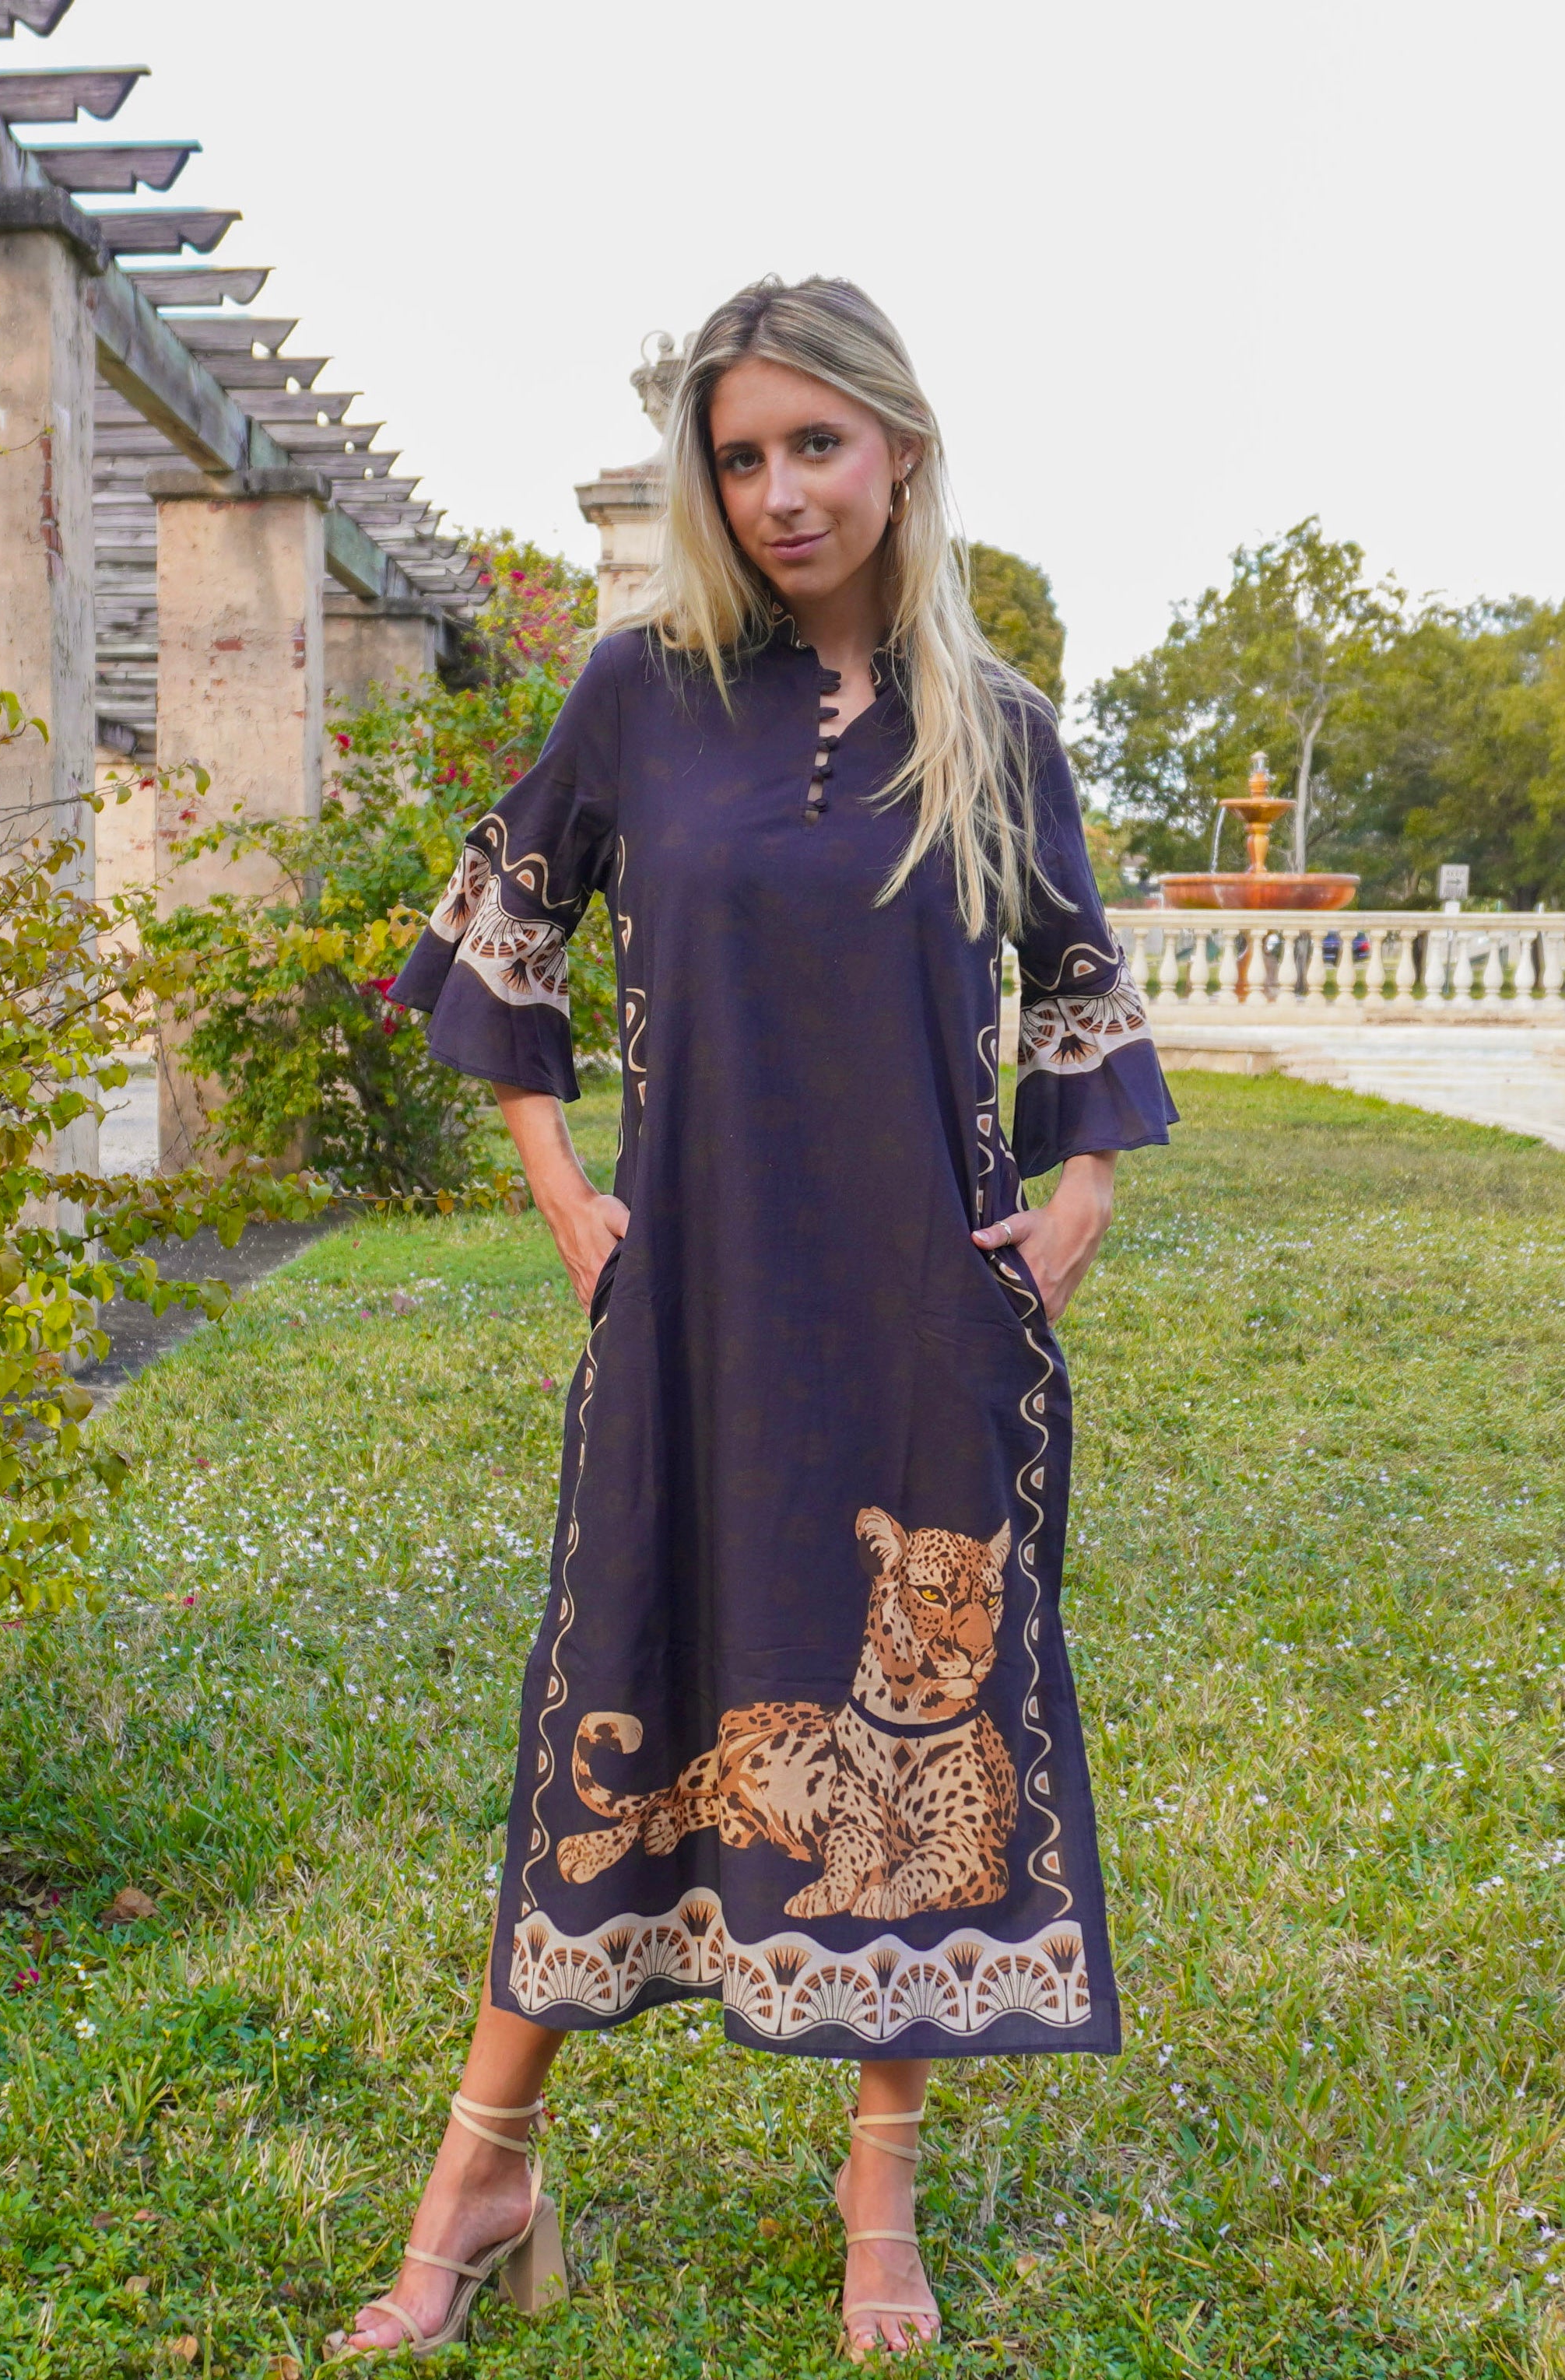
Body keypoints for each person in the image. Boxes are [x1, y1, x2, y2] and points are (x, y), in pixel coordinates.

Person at [329, 273, 1177, 2367]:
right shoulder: (641, 691)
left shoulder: (998, 729)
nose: (780, 492)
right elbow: (506, 924)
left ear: (900, 448)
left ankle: (877, 2187)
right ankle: (483, 2168)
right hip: (691, 1300)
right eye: (740, 456)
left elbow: (1077, 979)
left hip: (919, 1309)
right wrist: (560, 1188)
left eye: (816, 444)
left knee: (917, 1737)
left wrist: (1076, 1195)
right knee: (625, 1662)